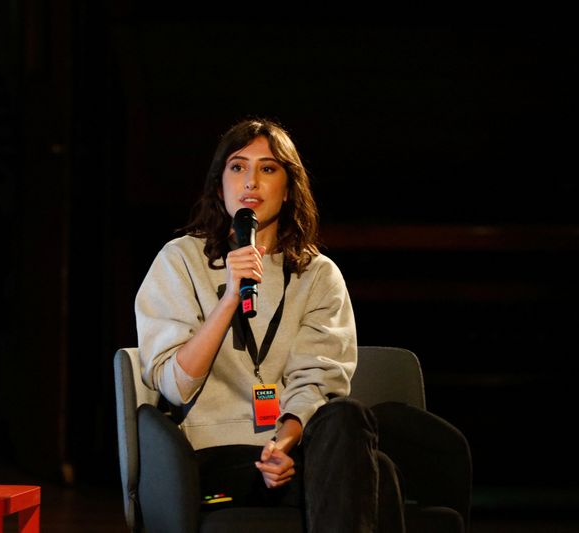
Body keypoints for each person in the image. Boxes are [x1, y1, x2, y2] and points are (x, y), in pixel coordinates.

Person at [134, 117, 405, 532]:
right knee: (377, 479)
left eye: (268, 168)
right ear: (219, 182)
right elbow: (175, 384)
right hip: (213, 461)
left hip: (293, 452)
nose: (251, 183)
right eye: (238, 167)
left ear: (289, 187)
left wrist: (283, 442)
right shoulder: (179, 260)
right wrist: (229, 297)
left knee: (348, 421)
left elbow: (316, 380)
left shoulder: (318, 274)